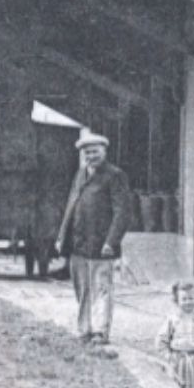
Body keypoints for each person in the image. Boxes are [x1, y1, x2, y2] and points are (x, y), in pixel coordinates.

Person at [53, 130, 131, 345]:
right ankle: (85, 329)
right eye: (87, 153)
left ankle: (100, 331)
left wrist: (111, 241)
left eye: (95, 152)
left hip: (101, 245)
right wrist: (61, 236)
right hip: (78, 243)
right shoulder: (80, 174)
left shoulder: (115, 175)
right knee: (82, 289)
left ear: (104, 151)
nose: (91, 157)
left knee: (101, 288)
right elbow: (71, 205)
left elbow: (122, 212)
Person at [156, 281, 194, 388]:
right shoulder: (173, 320)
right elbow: (161, 340)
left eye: (191, 298)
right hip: (178, 361)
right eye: (184, 299)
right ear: (177, 301)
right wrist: (168, 356)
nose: (188, 302)